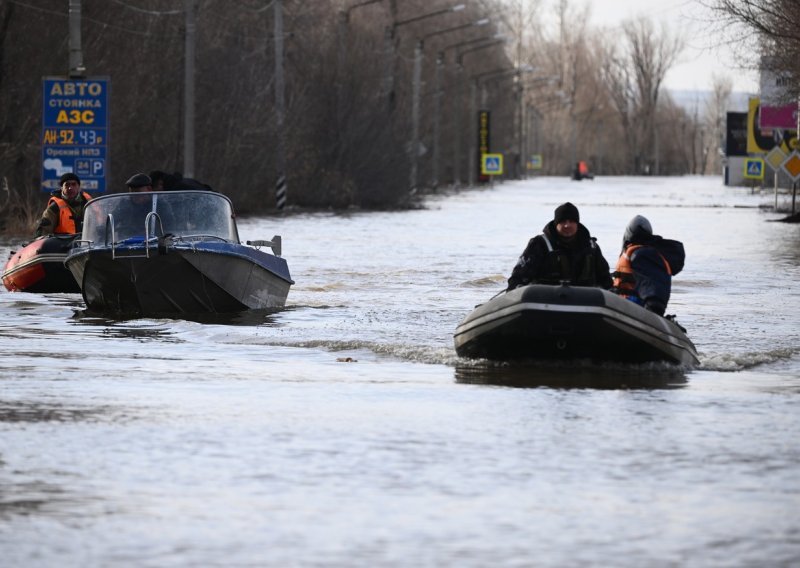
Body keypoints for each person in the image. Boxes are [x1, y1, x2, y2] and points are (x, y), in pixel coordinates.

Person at [507, 202, 613, 290]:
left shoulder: (591, 247)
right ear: (556, 224)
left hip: (585, 301)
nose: (567, 225)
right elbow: (518, 277)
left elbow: (605, 280)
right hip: (544, 301)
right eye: (563, 222)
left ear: (577, 224)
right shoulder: (539, 244)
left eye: (571, 221)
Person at [611, 215, 685, 316]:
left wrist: (652, 311)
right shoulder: (644, 253)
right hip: (625, 306)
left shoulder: (641, 255)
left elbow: (652, 288)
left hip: (634, 310)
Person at [34, 173, 93, 237]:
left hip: (87, 243)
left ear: (78, 187)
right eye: (67, 185)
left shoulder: (89, 203)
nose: (70, 188)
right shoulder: (55, 207)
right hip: (63, 244)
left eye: (74, 184)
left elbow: (100, 224)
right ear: (62, 188)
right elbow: (43, 230)